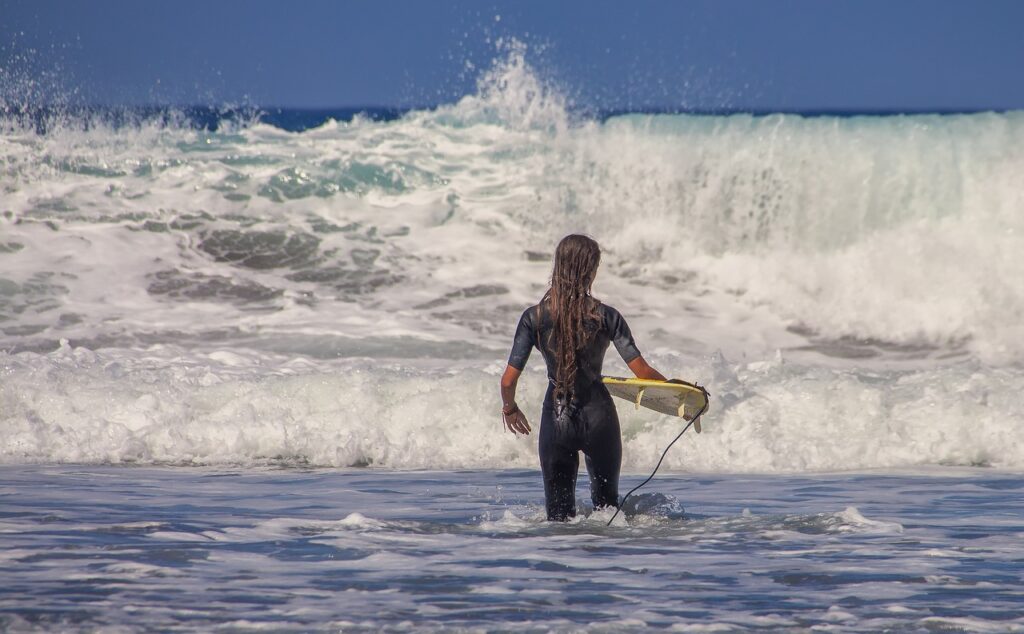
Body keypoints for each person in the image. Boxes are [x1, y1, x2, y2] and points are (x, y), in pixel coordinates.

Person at [499, 234, 668, 521]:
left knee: (558, 519)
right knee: (608, 513)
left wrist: (510, 408)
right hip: (600, 418)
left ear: (558, 267)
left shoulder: (534, 317)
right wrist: (678, 392)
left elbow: (507, 381)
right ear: (590, 270)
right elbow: (642, 373)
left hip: (557, 418)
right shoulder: (606, 316)